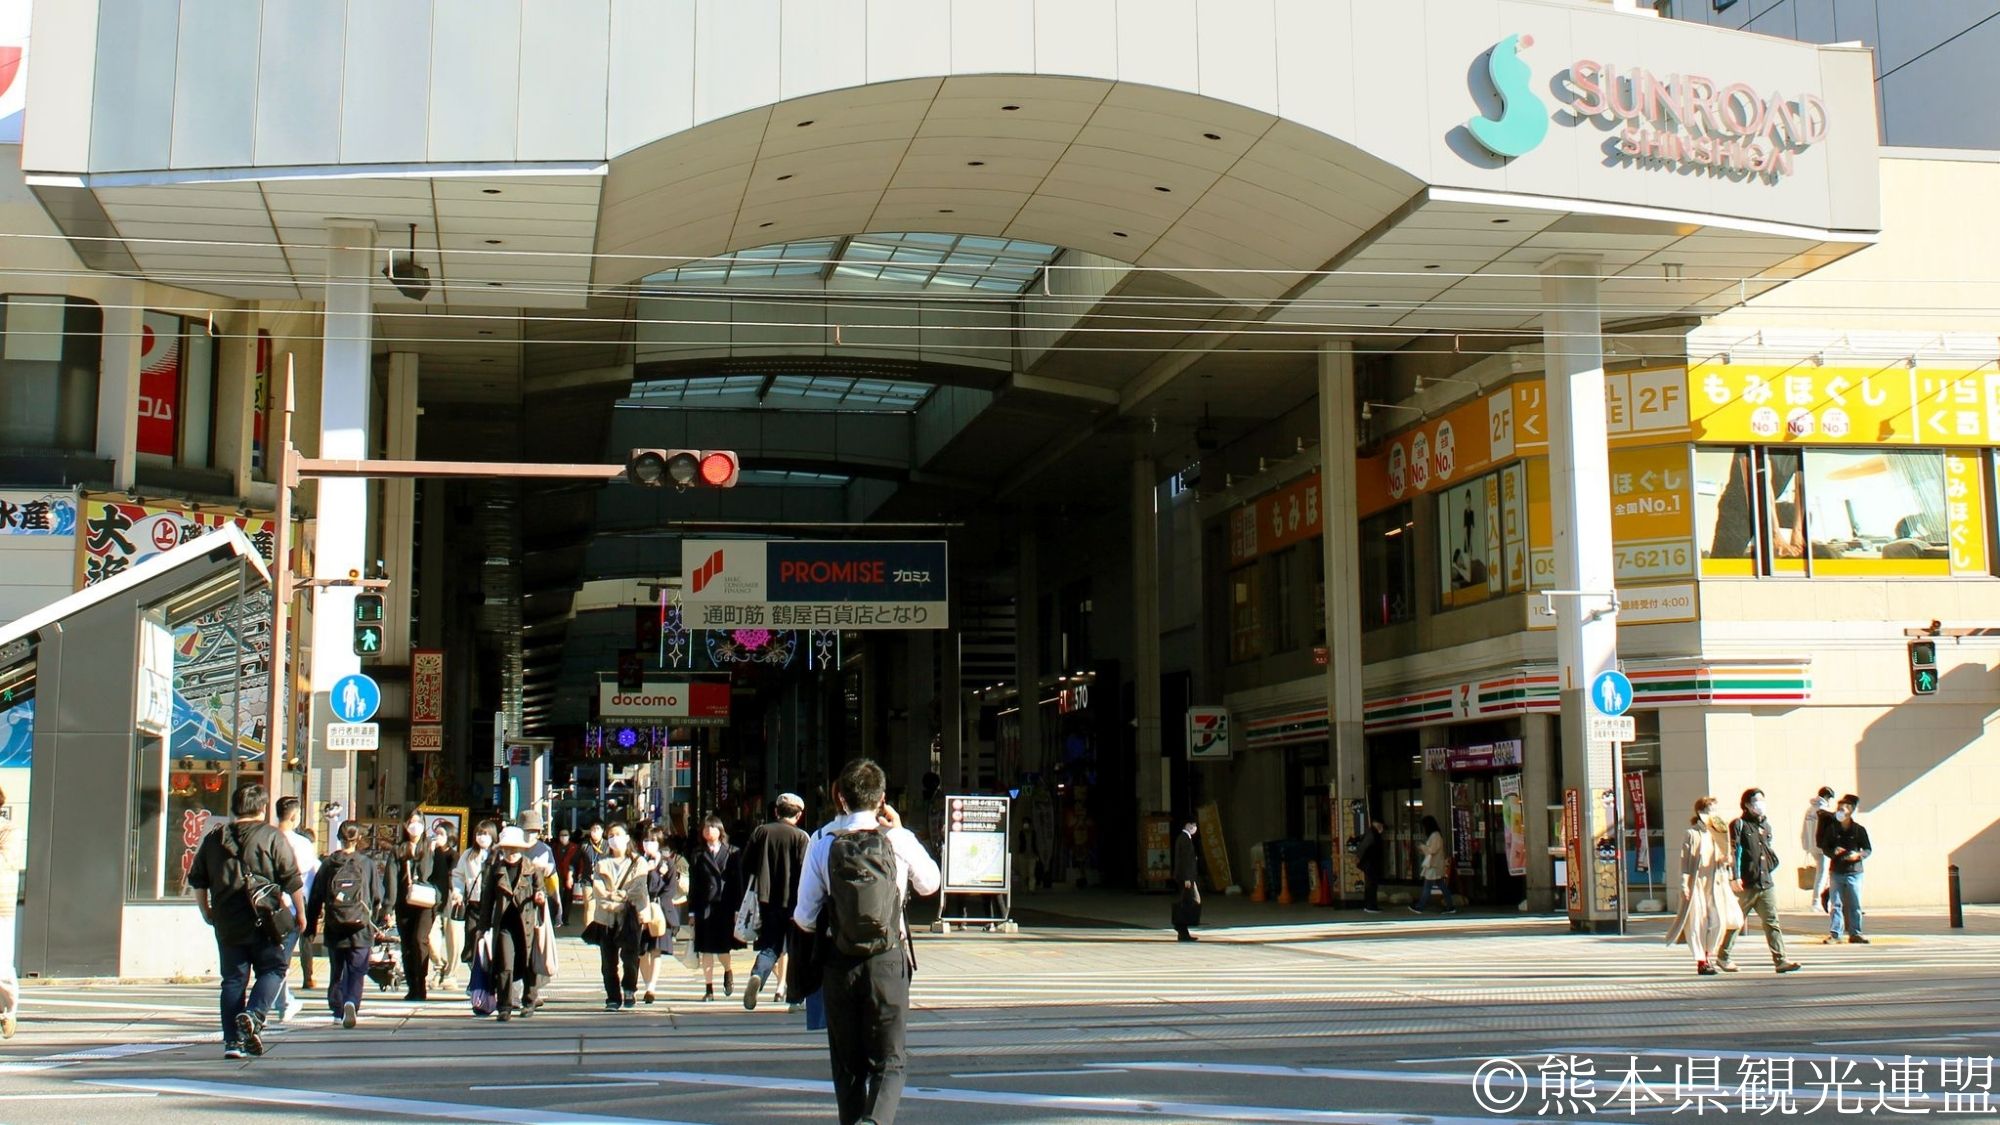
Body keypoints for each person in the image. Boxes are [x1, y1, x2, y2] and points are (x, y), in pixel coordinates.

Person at [793, 758, 941, 1125]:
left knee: (848, 1067)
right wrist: (901, 833)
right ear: (883, 798)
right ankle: (875, 1122)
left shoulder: (823, 840)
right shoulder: (898, 839)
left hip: (839, 961)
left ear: (839, 797)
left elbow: (804, 915)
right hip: (889, 959)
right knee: (890, 1061)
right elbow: (930, 884)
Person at [187, 782, 305, 1058]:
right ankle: (253, 1015)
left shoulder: (214, 838)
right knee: (273, 969)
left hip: (227, 918)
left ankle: (233, 1043)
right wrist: (301, 913)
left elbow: (198, 880)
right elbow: (292, 879)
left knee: (232, 980)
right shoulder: (272, 837)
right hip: (265, 919)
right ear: (263, 808)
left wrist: (207, 911)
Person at [305, 820, 387, 1028]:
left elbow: (316, 896)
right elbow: (377, 895)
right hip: (361, 925)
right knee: (357, 969)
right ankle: (352, 1001)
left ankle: (337, 1008)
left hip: (335, 924)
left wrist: (311, 926)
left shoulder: (328, 863)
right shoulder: (366, 863)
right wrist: (378, 920)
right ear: (358, 838)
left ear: (339, 838)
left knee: (337, 969)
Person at [1718, 788, 1802, 974]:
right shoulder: (1739, 824)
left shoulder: (1766, 826)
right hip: (1745, 884)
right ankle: (1723, 957)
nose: (1760, 805)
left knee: (1772, 922)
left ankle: (1780, 960)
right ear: (1747, 805)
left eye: (1762, 800)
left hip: (1765, 882)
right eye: (1756, 801)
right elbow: (1734, 851)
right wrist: (1734, 876)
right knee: (1736, 921)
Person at [743, 793, 811, 1010]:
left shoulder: (761, 832)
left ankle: (757, 975)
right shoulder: (801, 837)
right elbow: (807, 872)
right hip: (794, 903)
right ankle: (795, 999)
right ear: (799, 815)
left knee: (770, 945)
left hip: (766, 900)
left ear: (776, 811)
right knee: (796, 950)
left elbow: (746, 864)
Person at [1667, 797, 1743, 975]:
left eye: (1715, 810)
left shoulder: (1719, 833)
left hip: (1717, 883)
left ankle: (1709, 954)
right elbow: (1685, 861)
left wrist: (1727, 860)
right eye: (1709, 810)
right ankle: (1702, 961)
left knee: (1719, 921)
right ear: (1700, 813)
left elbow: (1726, 860)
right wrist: (1684, 884)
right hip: (1697, 884)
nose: (1713, 814)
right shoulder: (1692, 833)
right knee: (1698, 923)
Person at [479, 826, 545, 1021]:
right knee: (505, 965)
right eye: (507, 848)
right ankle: (504, 1006)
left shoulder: (531, 868)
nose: (511, 852)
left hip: (526, 924)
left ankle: (529, 1001)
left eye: (515, 848)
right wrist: (483, 927)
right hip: (504, 924)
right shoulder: (495, 869)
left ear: (522, 849)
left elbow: (540, 892)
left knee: (528, 963)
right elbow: (487, 899)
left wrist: (540, 897)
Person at [589, 823, 650, 1011]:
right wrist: (617, 897)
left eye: (618, 834)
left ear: (626, 838)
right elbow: (598, 889)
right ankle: (613, 997)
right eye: (610, 835)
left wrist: (616, 896)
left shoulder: (639, 862)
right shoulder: (601, 863)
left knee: (630, 958)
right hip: (606, 918)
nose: (614, 838)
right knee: (608, 961)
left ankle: (630, 989)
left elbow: (638, 888)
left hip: (630, 917)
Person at [271, 796, 321, 1025]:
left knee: (273, 959)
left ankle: (283, 1002)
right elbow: (309, 881)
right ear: (294, 816)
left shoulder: (265, 838)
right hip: (291, 909)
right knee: (280, 960)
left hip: (264, 906)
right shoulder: (303, 844)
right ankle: (278, 1003)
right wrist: (307, 911)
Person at [688, 815, 745, 1000]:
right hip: (704, 906)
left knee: (723, 949)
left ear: (720, 831)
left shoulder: (732, 852)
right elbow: (693, 885)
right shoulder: (697, 854)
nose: (708, 831)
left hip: (725, 907)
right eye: (705, 828)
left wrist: (738, 908)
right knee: (705, 949)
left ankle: (728, 971)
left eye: (711, 828)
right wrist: (691, 911)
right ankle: (708, 989)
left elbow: (738, 882)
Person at [386, 811, 437, 1002]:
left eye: (418, 822)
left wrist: (439, 900)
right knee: (407, 944)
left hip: (426, 902)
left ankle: (421, 982)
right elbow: (391, 879)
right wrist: (388, 907)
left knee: (419, 940)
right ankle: (412, 985)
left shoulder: (431, 847)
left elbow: (435, 874)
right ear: (405, 826)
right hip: (404, 902)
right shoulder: (397, 849)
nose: (414, 825)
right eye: (411, 822)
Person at [639, 827, 689, 1004]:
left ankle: (651, 987)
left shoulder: (668, 863)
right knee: (642, 951)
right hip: (641, 911)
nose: (648, 844)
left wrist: (654, 873)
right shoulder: (638, 862)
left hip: (660, 912)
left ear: (659, 843)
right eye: (645, 840)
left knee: (656, 950)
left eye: (652, 841)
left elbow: (669, 889)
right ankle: (646, 985)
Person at [449, 820, 497, 989]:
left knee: (490, 944)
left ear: (492, 835)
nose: (482, 837)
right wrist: (458, 892)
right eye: (478, 834)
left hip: (492, 907)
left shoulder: (498, 854)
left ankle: (489, 979)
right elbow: (458, 875)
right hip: (474, 905)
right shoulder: (469, 854)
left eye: (485, 834)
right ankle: (475, 980)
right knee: (471, 943)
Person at [1823, 794, 1872, 945]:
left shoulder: (1858, 830)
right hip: (1837, 871)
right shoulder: (1832, 829)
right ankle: (1835, 934)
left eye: (1844, 808)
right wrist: (1833, 852)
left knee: (1854, 904)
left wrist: (1858, 855)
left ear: (1851, 811)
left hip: (1854, 872)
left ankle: (1856, 933)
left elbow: (1867, 849)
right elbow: (1825, 847)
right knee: (1836, 904)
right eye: (1839, 808)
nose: (1840, 811)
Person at [426, 820, 457, 990]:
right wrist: (430, 854)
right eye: (436, 833)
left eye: (441, 834)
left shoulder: (454, 856)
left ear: (450, 837)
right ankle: (439, 965)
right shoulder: (430, 853)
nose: (437, 837)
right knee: (430, 938)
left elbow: (455, 878)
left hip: (451, 902)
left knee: (453, 940)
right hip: (432, 901)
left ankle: (449, 974)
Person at [0, 786, 19, 1039]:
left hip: (0, 905)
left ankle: (9, 1010)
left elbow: (7, 863)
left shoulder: (9, 831)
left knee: (1, 966)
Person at [1410, 815, 1457, 914]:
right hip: (1435, 864)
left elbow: (1432, 850)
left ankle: (1420, 907)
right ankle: (1450, 906)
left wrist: (1422, 846)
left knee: (1427, 887)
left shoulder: (1435, 835)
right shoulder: (1436, 835)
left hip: (1433, 865)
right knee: (1442, 886)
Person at [1803, 785, 1837, 917]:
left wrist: (1806, 845)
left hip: (1812, 846)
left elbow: (1804, 830)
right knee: (1822, 874)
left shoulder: (1810, 810)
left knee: (1822, 873)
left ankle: (1822, 900)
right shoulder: (1824, 810)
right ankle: (1817, 901)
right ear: (1827, 797)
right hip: (1822, 847)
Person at [1170, 819, 1201, 941]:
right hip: (1186, 878)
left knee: (1187, 902)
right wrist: (1187, 878)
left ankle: (1182, 929)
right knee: (1191, 902)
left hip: (1184, 876)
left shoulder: (1182, 838)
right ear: (1188, 825)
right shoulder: (1185, 839)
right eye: (1194, 826)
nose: (1195, 828)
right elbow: (1185, 860)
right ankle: (1181, 926)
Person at [1356, 816, 1385, 914]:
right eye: (1381, 825)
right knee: (1372, 885)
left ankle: (1369, 905)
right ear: (1377, 824)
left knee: (1370, 884)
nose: (1382, 828)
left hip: (1368, 863)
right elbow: (1366, 848)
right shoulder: (1373, 834)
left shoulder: (1369, 833)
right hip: (1371, 863)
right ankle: (1371, 906)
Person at [554, 828, 581, 928]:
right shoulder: (555, 847)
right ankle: (558, 918)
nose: (563, 837)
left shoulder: (575, 847)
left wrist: (578, 874)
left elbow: (578, 861)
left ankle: (565, 918)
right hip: (558, 875)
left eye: (565, 835)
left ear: (569, 836)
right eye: (562, 835)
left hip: (570, 876)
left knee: (567, 898)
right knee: (558, 897)